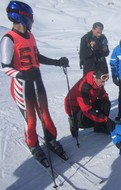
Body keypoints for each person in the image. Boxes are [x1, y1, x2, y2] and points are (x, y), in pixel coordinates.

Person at [0, 1, 69, 167]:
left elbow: (37, 57)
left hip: (37, 80)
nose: (32, 21)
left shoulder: (30, 36)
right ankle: (33, 144)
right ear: (22, 17)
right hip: (22, 85)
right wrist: (21, 74)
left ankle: (51, 139)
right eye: (30, 18)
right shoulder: (8, 39)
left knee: (45, 114)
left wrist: (57, 62)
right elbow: (4, 67)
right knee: (30, 119)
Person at [64, 66, 115, 137]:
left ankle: (100, 127)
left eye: (104, 82)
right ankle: (73, 122)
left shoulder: (97, 81)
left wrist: (105, 99)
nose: (103, 84)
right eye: (102, 82)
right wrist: (105, 119)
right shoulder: (83, 88)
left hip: (88, 102)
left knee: (106, 103)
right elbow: (87, 110)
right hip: (76, 108)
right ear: (94, 78)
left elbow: (102, 93)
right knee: (86, 122)